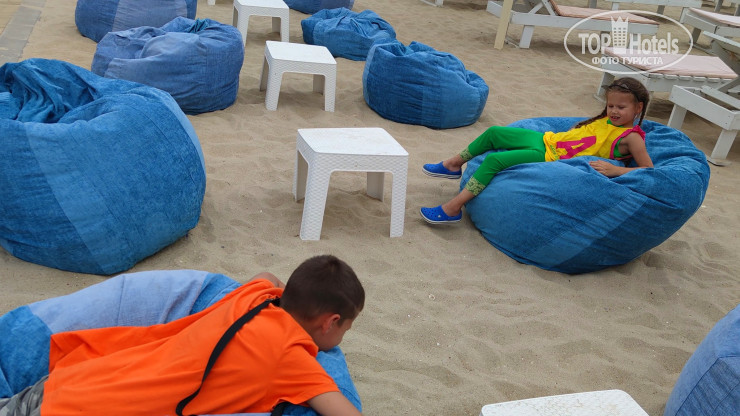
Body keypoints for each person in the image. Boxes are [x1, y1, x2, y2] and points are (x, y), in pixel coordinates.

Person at [0, 255, 365, 416]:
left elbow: (267, 276)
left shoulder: (253, 297)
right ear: (330, 322)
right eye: (346, 329)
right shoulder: (294, 362)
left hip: (74, 379)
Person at [419, 77, 654, 224]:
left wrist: (616, 170)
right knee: (494, 132)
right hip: (547, 140)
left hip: (551, 156)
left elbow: (648, 169)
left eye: (621, 107)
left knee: (494, 161)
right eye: (610, 105)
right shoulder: (607, 120)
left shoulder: (631, 137)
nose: (614, 111)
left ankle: (453, 208)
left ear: (638, 108)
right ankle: (453, 165)